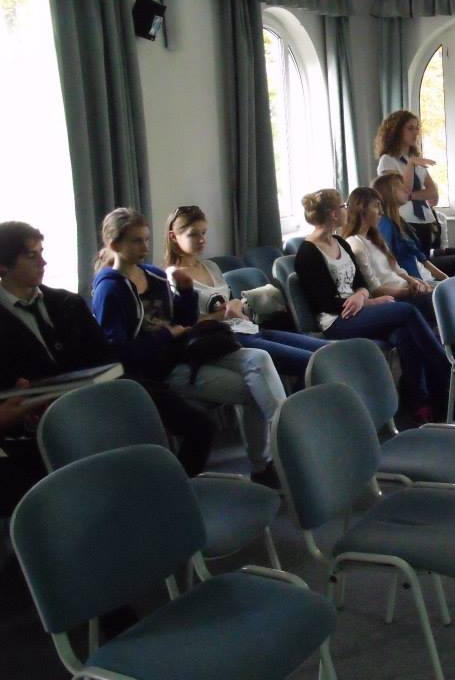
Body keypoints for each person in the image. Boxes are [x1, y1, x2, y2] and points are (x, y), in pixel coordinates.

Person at [0, 221, 214, 511]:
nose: (43, 262)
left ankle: (170, 498)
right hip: (38, 418)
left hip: (98, 393)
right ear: (3, 265)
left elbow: (106, 358)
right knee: (76, 476)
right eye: (31, 256)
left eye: (42, 252)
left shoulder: (66, 302)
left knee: (200, 425)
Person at [91, 209, 285, 486]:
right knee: (255, 389)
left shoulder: (153, 275)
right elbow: (118, 353)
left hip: (183, 352)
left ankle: (281, 444)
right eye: (136, 241)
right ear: (114, 245)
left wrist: (185, 292)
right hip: (157, 371)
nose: (145, 247)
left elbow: (183, 321)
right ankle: (266, 462)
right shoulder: (110, 289)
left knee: (259, 359)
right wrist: (165, 335)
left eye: (146, 239)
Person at [294, 188, 452, 422]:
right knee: (407, 311)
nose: (346, 210)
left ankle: (418, 402)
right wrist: (368, 301)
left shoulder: (339, 242)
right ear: (333, 214)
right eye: (342, 206)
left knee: (403, 334)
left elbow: (360, 284)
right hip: (337, 320)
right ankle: (446, 368)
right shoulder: (308, 252)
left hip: (359, 310)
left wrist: (362, 296)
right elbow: (325, 302)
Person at [164, 205, 327, 383]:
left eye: (203, 233)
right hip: (225, 340)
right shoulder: (173, 276)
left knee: (328, 351)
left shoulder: (211, 267)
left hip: (248, 329)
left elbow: (229, 302)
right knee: (315, 362)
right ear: (173, 236)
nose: (201, 240)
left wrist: (236, 304)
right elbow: (184, 327)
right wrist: (222, 314)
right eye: (193, 234)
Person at [375, 110, 455, 276]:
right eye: (410, 128)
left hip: (425, 219)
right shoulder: (388, 160)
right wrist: (410, 166)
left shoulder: (414, 158)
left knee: (428, 264)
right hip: (405, 219)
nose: (415, 133)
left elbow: (433, 193)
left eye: (417, 128)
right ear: (396, 130)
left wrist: (411, 196)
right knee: (417, 266)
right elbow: (402, 190)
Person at [341, 186, 437, 322]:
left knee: (445, 291)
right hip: (394, 297)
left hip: (405, 288)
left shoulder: (375, 239)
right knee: (439, 299)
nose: (381, 212)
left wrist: (413, 281)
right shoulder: (355, 243)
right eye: (376, 206)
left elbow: (396, 269)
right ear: (362, 208)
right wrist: (409, 292)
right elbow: (375, 289)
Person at [373, 171, 449, 285]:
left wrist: (446, 279)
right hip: (412, 284)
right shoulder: (385, 224)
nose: (407, 190)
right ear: (390, 193)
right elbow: (389, 264)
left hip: (424, 278)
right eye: (401, 187)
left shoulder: (402, 222)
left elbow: (422, 259)